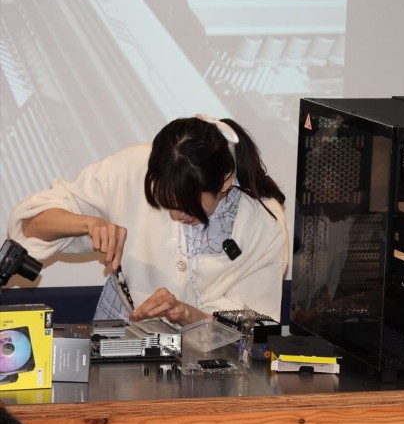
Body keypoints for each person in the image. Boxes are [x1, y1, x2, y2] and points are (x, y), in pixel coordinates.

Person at [8, 114, 288, 326]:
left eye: (186, 206)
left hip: (210, 365)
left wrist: (189, 316)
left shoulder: (263, 221)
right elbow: (29, 225)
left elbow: (258, 325)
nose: (175, 216)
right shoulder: (133, 168)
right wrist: (89, 223)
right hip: (117, 340)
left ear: (225, 181)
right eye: (165, 203)